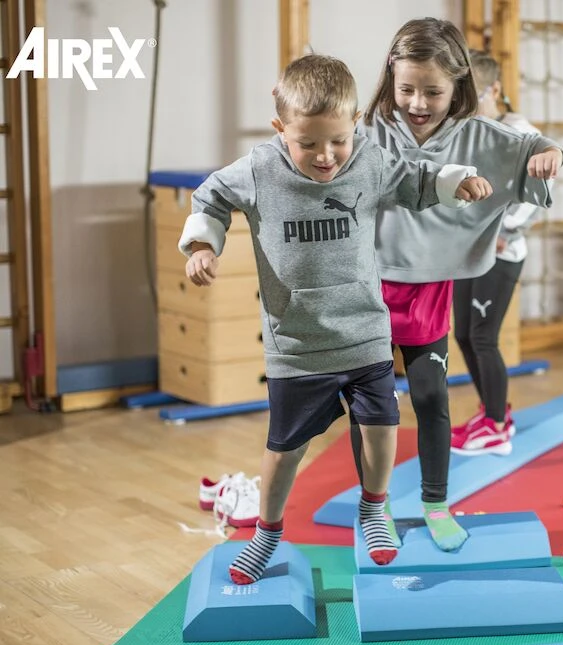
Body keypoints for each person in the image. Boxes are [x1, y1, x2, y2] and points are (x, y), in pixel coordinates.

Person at [179, 54, 492, 584]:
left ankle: (373, 508)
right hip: (298, 344)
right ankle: (267, 533)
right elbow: (210, 196)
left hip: (365, 332)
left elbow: (414, 179)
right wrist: (203, 246)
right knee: (286, 449)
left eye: (339, 141)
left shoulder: (368, 160)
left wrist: (452, 181)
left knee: (382, 427)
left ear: (355, 126)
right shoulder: (258, 170)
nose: (326, 156)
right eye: (308, 144)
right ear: (281, 129)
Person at [352, 18, 563, 552]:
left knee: (430, 398)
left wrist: (551, 154)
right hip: (367, 288)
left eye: (432, 91)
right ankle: (372, 507)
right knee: (370, 406)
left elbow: (535, 145)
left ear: (459, 84)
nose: (417, 103)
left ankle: (435, 504)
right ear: (390, 78)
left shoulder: (476, 135)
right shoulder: (368, 129)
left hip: (428, 290)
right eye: (406, 89)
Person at [450, 49, 545, 456]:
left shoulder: (521, 133)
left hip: (502, 253)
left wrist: (505, 229)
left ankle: (497, 427)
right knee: (463, 334)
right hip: (469, 251)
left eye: (472, 94)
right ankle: (493, 410)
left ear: (494, 90)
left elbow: (538, 195)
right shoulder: (471, 131)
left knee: (483, 338)